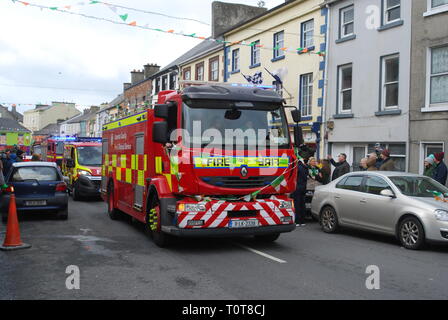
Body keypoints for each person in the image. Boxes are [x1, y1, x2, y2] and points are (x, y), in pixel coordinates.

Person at [292, 159, 308, 227]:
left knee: (297, 204)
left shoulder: (297, 167)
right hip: (303, 187)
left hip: (297, 187)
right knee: (302, 204)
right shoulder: (305, 167)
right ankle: (303, 220)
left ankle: (297, 221)